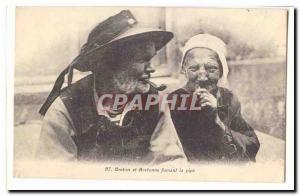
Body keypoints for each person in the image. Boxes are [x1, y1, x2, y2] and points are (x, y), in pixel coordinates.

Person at [36, 10, 186, 164]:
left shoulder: (154, 101)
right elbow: (55, 175)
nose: (151, 68)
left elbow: (170, 163)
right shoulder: (66, 109)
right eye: (143, 60)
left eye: (151, 59)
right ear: (109, 63)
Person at [169, 34, 260, 162]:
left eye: (211, 68)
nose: (202, 77)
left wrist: (217, 120)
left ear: (221, 70)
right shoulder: (172, 102)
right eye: (194, 68)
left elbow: (252, 145)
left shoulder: (227, 98)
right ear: (184, 70)